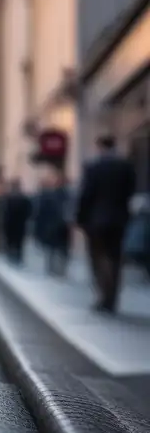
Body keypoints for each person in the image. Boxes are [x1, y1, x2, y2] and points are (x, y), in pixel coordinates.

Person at [76, 134, 136, 313]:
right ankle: (112, 297)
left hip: (96, 222)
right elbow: (129, 192)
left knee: (98, 258)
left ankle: (103, 295)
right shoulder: (125, 166)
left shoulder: (93, 167)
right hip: (118, 220)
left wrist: (80, 218)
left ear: (99, 146)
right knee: (115, 258)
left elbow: (86, 195)